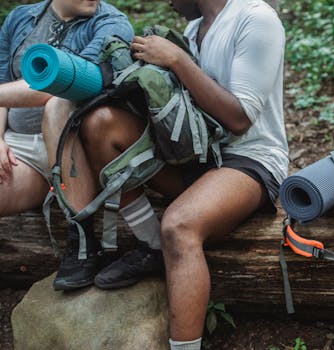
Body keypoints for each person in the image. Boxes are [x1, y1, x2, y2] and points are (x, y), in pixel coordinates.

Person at [43, 0, 288, 348]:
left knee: (179, 225)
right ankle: (151, 244)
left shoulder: (255, 17)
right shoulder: (193, 29)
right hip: (196, 151)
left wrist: (176, 60)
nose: (167, 2)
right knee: (101, 125)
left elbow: (239, 118)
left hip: (249, 159)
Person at [0, 0, 134, 289]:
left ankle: (83, 240)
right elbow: (2, 82)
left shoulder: (111, 23)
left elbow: (56, 85)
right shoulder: (20, 18)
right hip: (18, 149)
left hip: (76, 149)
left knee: (58, 104)